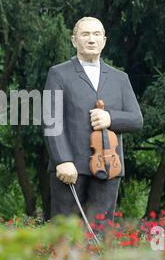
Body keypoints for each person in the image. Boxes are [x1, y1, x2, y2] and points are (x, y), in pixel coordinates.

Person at [43, 17, 143, 225]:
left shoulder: (120, 78)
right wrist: (62, 160)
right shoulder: (58, 73)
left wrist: (110, 118)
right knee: (65, 232)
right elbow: (51, 120)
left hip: (108, 166)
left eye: (96, 34)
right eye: (85, 34)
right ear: (74, 40)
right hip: (70, 167)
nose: (91, 40)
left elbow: (136, 119)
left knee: (100, 231)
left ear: (104, 41)